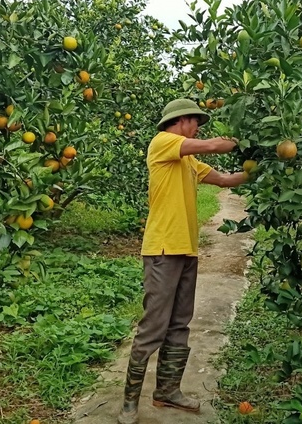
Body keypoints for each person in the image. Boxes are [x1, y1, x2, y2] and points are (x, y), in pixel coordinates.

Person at [118, 98, 248, 424]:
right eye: (196, 121)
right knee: (154, 326)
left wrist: (258, 169)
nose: (199, 127)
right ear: (182, 121)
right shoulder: (163, 143)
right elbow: (215, 145)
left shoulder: (187, 162)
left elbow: (225, 180)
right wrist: (249, 140)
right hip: (163, 250)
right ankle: (129, 403)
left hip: (187, 251)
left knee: (179, 324)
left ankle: (167, 392)